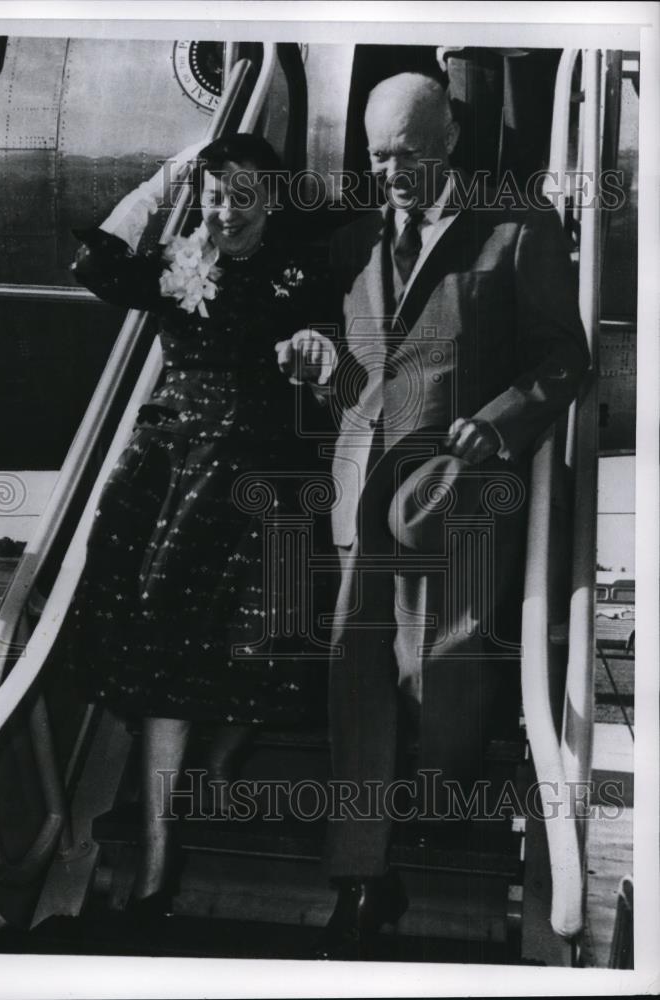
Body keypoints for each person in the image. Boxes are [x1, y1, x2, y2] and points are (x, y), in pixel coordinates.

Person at [281, 73, 590, 960]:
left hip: (457, 498)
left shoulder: (517, 231)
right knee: (357, 682)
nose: (394, 176)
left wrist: (494, 429)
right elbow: (364, 385)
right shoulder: (358, 245)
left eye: (410, 156)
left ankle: (437, 806)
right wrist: (318, 365)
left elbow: (562, 358)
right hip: (365, 501)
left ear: (448, 138)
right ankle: (358, 880)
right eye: (380, 159)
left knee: (442, 675)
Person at [64, 133, 336, 919]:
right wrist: (165, 179)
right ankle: (157, 858)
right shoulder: (185, 262)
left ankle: (218, 763)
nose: (223, 210)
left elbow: (325, 343)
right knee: (159, 657)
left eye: (241, 195)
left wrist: (311, 349)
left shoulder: (299, 271)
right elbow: (97, 266)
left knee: (266, 651)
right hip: (171, 470)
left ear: (272, 201)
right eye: (213, 194)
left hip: (260, 470)